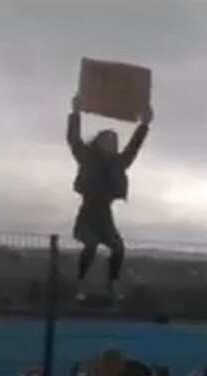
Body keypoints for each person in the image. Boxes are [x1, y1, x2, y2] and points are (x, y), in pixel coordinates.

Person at [67, 95, 154, 302]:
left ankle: (112, 283)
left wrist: (144, 124)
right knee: (91, 243)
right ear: (99, 142)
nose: (113, 143)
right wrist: (75, 112)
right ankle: (80, 282)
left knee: (118, 247)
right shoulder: (86, 156)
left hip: (105, 213)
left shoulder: (119, 163)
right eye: (108, 140)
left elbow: (133, 147)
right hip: (88, 211)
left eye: (115, 141)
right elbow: (73, 139)